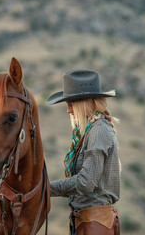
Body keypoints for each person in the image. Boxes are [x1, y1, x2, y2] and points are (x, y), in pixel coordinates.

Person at [47, 69, 121, 235]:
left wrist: (46, 188)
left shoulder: (98, 131)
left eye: (71, 104)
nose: (68, 111)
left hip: (94, 223)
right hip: (88, 222)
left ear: (83, 103)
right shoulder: (91, 131)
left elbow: (85, 183)